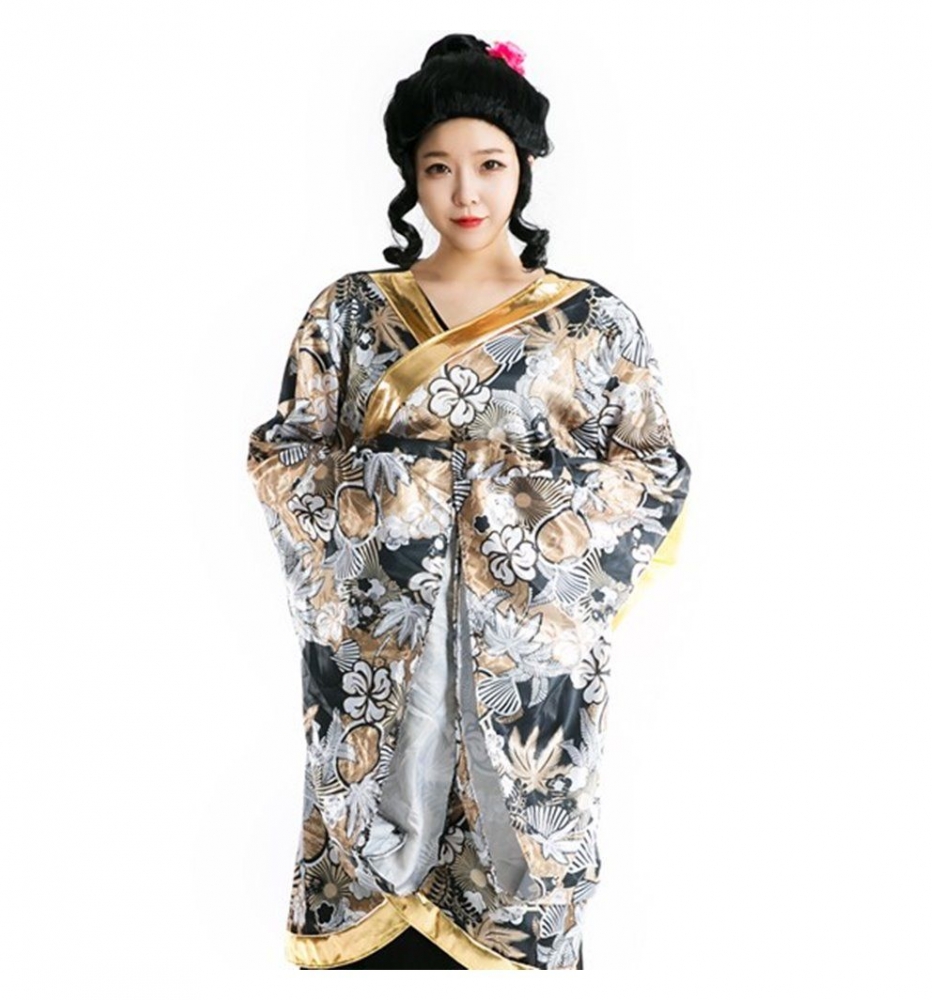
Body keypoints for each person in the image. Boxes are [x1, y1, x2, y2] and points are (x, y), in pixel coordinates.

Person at [246, 33, 692, 971]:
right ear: (411, 178)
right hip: (377, 673)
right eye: (438, 167)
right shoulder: (348, 314)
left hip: (529, 672)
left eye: (489, 164)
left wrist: (485, 498)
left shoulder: (594, 324)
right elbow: (284, 460)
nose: (465, 193)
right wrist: (413, 496)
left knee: (523, 881)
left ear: (523, 168)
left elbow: (652, 474)